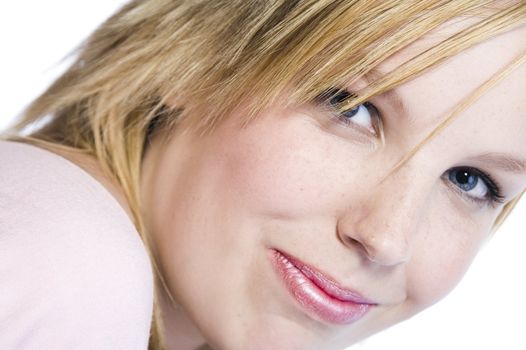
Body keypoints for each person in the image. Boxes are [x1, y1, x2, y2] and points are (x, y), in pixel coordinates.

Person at [1, 1, 525, 349]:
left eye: (469, 180)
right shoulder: (72, 261)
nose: (388, 238)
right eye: (353, 107)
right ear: (197, 52)